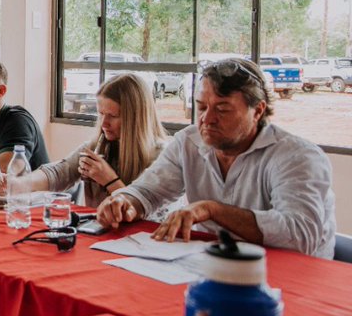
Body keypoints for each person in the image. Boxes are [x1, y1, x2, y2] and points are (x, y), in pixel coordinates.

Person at [96, 58, 337, 258]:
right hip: (210, 266)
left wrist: (212, 210)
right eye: (201, 107)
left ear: (258, 110)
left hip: (294, 282)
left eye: (222, 109)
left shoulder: (296, 156)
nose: (206, 119)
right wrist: (125, 202)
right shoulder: (188, 142)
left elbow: (299, 235)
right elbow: (149, 192)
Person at [7, 73, 168, 208]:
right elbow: (59, 173)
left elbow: (149, 213)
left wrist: (109, 180)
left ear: (136, 118)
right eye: (100, 114)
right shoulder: (97, 147)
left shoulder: (162, 156)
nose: (104, 123)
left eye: (113, 116)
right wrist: (20, 183)